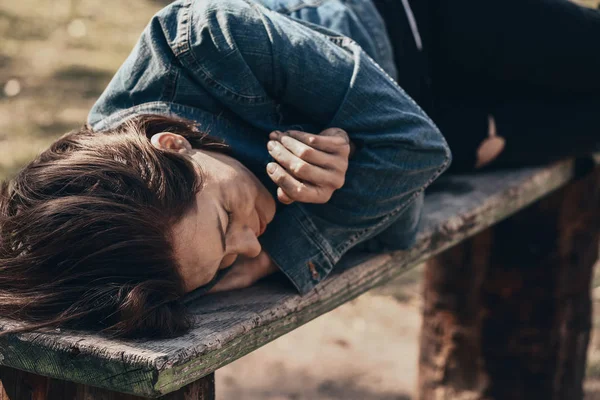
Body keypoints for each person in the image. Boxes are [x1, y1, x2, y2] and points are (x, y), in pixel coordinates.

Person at [0, 0, 451, 338]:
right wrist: (364, 157)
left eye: (227, 220)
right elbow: (404, 209)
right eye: (228, 262)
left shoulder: (211, 37)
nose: (251, 247)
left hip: (416, 19)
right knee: (492, 139)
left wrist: (283, 256)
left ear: (174, 147)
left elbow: (417, 153)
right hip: (441, 105)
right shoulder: (149, 255)